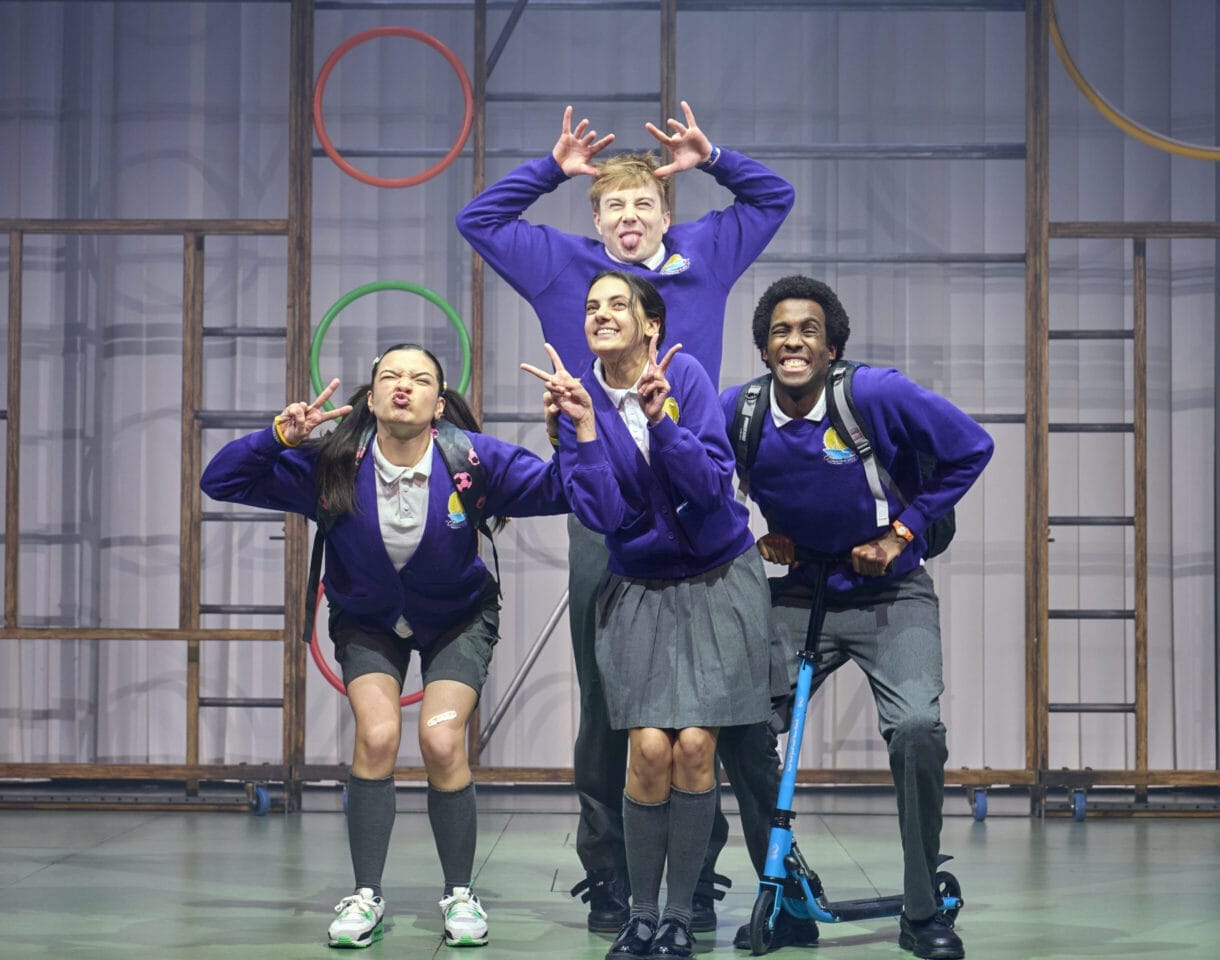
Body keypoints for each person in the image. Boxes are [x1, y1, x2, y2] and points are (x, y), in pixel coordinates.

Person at [456, 99, 794, 933]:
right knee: (614, 702)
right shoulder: (559, 263)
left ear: (666, 215)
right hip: (608, 501)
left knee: (714, 716)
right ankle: (611, 873)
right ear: (596, 218)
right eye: (614, 206)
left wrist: (713, 155)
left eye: (644, 204)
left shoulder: (704, 254)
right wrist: (552, 168)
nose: (631, 217)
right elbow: (478, 217)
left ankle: (698, 880)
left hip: (699, 492)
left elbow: (772, 198)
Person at [200, 344, 568, 951]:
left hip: (457, 619)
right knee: (376, 737)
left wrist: (569, 429)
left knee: (441, 739)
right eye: (390, 377)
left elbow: (563, 490)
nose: (404, 386)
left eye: (420, 379)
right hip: (369, 620)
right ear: (369, 399)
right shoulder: (333, 463)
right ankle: (365, 894)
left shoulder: (472, 459)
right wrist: (277, 437)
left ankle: (459, 893)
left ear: (439, 402)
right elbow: (222, 479)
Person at [717, 276, 993, 960]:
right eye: (781, 330)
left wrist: (905, 531)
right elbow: (692, 477)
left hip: (890, 594)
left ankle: (923, 909)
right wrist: (751, 535)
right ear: (763, 346)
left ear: (832, 345)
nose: (794, 341)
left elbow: (972, 447)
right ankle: (785, 894)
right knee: (738, 725)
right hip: (801, 589)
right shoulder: (741, 411)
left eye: (809, 330)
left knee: (918, 731)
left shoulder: (873, 394)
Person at [521, 271, 780, 960]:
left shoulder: (684, 376)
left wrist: (661, 421)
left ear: (649, 325)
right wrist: (578, 433)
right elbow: (605, 516)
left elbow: (706, 487)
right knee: (647, 748)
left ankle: (679, 914)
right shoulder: (581, 399)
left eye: (617, 305)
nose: (601, 315)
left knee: (697, 746)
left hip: (717, 580)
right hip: (637, 587)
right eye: (591, 307)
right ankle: (641, 916)